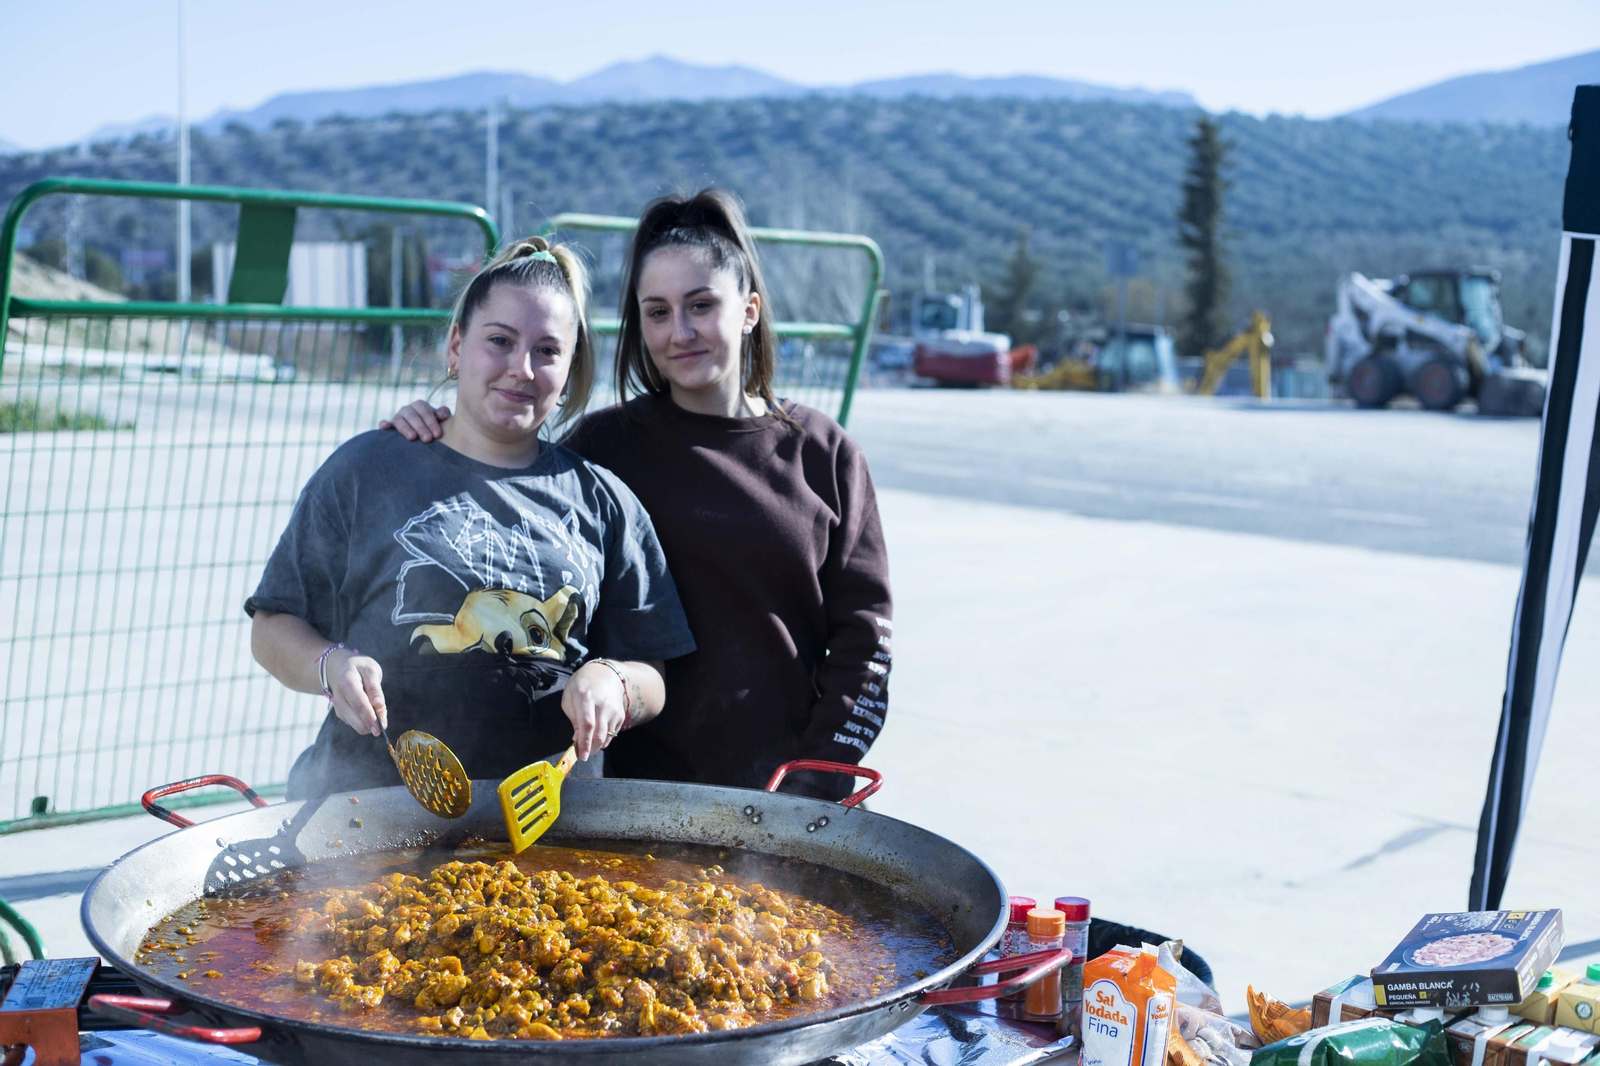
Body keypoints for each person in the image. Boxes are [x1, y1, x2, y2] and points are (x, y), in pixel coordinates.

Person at [384, 190, 891, 800]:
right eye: (657, 312)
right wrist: (430, 431)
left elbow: (866, 644)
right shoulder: (602, 451)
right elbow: (498, 479)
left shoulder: (825, 453)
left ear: (749, 309)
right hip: (625, 806)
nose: (681, 332)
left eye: (701, 305)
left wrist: (814, 783)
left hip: (782, 803)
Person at [250, 238, 695, 800]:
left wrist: (617, 681)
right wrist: (330, 666)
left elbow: (652, 672)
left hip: (549, 821)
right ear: (457, 345)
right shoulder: (367, 469)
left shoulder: (604, 499)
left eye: (547, 351)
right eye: (500, 341)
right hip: (364, 816)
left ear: (570, 367)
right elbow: (272, 626)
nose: (521, 369)